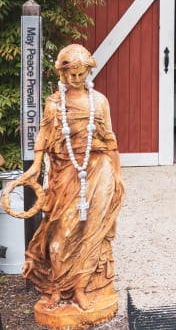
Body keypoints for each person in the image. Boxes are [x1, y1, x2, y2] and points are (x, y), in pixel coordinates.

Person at [12, 44, 125, 313]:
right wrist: (35, 167)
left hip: (100, 170)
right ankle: (55, 289)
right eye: (71, 74)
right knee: (59, 236)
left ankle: (80, 289)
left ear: (87, 72)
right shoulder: (55, 103)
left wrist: (118, 177)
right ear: (63, 73)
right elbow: (44, 135)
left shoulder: (99, 101)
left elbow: (110, 140)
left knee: (92, 233)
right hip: (66, 175)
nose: (76, 79)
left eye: (81, 74)